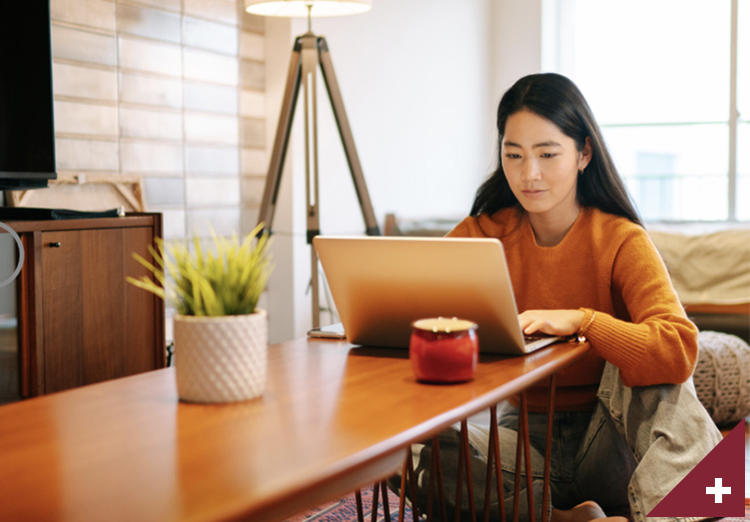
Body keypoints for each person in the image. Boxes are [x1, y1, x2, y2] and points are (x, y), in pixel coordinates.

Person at [400, 73, 722, 522]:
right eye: (513, 155)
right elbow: (407, 303)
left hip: (610, 446)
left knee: (657, 371)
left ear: (583, 153)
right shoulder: (481, 235)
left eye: (547, 154)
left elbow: (679, 350)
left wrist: (585, 322)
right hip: (522, 451)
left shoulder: (620, 239)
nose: (528, 173)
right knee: (411, 451)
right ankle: (562, 519)